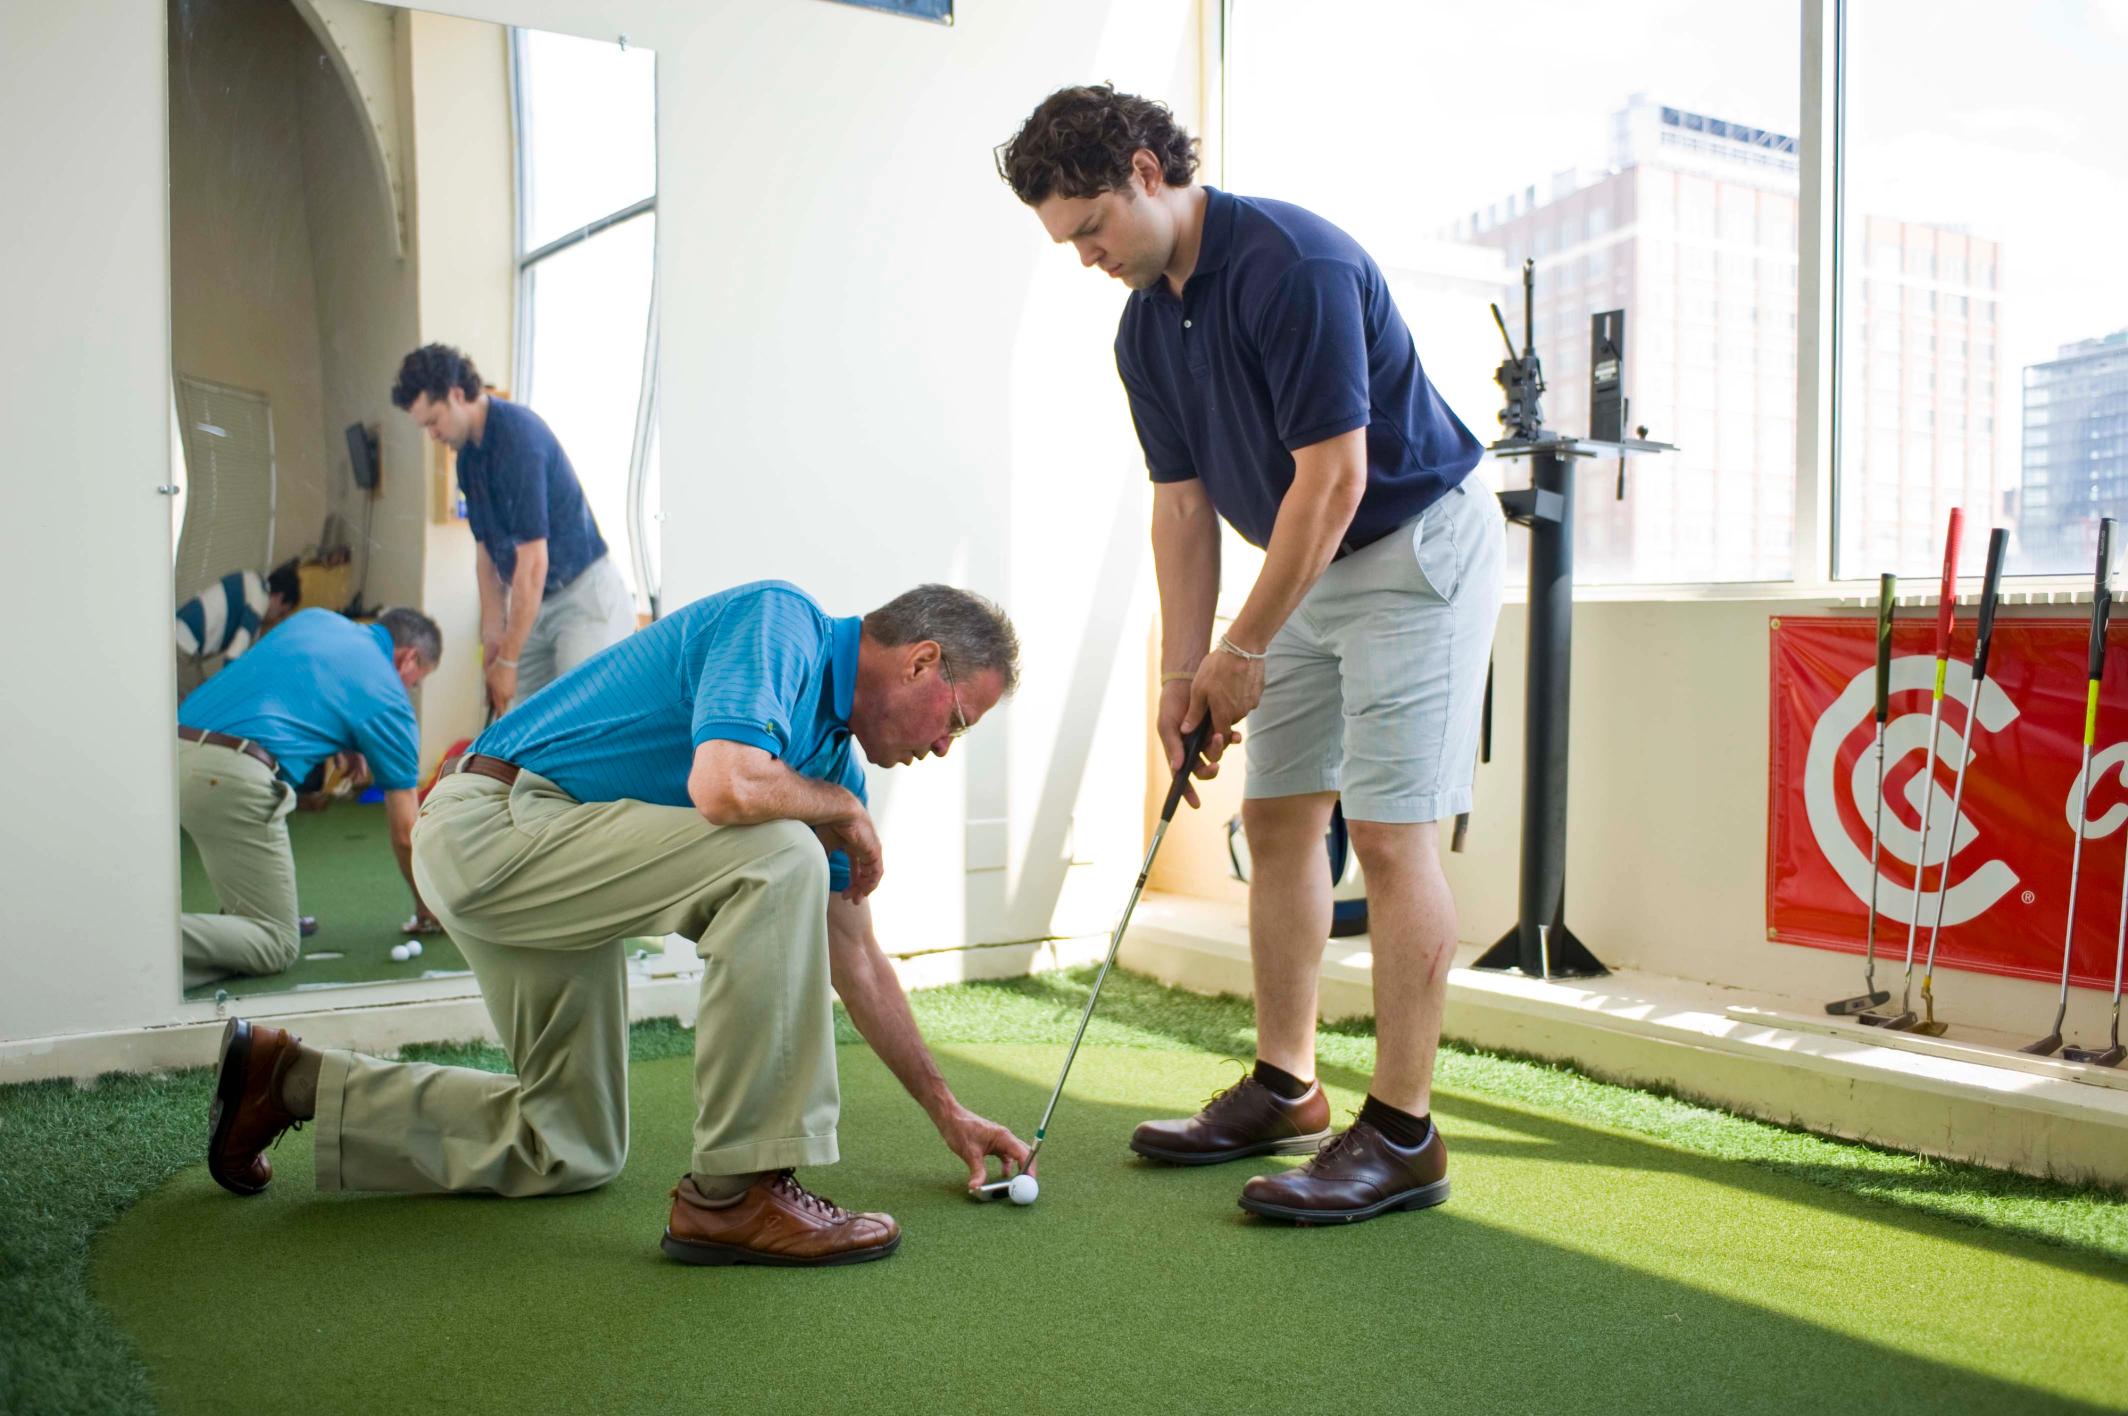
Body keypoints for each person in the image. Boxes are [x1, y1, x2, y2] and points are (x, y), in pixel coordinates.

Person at [999, 85, 1505, 1224]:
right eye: (1067, 241)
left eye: (1092, 227)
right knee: (1277, 821)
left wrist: (1242, 645)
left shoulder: (1294, 264)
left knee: (1388, 830)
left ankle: (1405, 1135)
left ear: (1146, 171)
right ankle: (1287, 1086)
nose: (1085, 257)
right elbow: (1181, 509)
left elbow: (1337, 477)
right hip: (1303, 557)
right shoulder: (1142, 328)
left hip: (1412, 546)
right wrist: (1183, 674)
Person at [206, 581, 1033, 1268]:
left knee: (569, 1147)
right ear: (921, 662)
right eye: (958, 720)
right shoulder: (784, 624)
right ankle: (736, 1193)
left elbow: (855, 957)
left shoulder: (830, 767)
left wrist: (948, 1111)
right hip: (493, 822)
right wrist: (842, 812)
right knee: (784, 854)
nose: (945, 746)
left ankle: (288, 1081)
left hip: (554, 869)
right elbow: (724, 785)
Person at [176, 607, 443, 989]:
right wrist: (428, 908)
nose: (411, 690)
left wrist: (348, 738)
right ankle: (142, 941)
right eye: (417, 682)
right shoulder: (389, 698)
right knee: (275, 943)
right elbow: (407, 834)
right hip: (229, 777)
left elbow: (294, 679)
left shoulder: (316, 619)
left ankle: (158, 972)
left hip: (173, 754)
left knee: (247, 929)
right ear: (409, 659)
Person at [390, 343, 637, 715]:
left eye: (433, 421)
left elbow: (533, 563)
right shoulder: (467, 461)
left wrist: (507, 662)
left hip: (582, 597)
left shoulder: (519, 439)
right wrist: (493, 638)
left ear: (456, 395)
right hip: (535, 604)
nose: (433, 434)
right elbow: (486, 558)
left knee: (580, 719)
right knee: (523, 719)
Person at [174, 558, 301, 699]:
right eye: (281, 613)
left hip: (181, 639)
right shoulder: (259, 603)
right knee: (197, 707)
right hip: (183, 648)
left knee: (203, 696)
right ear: (279, 597)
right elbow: (232, 657)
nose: (276, 620)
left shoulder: (253, 580)